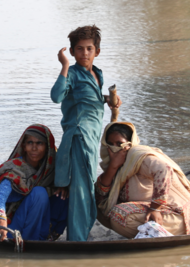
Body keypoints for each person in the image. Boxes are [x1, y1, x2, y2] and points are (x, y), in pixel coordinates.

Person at [50, 25, 121, 241]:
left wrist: (107, 100)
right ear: (72, 52)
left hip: (91, 141)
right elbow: (56, 96)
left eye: (89, 49)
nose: (84, 53)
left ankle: (79, 236)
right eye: (79, 49)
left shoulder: (96, 73)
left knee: (86, 190)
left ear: (97, 51)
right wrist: (64, 65)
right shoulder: (71, 73)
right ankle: (77, 242)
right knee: (81, 193)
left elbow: (88, 99)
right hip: (79, 139)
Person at [95, 122, 190, 238]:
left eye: (119, 143)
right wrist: (113, 166)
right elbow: (100, 193)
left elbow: (164, 170)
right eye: (110, 144)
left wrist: (155, 208)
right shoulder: (118, 165)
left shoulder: (138, 156)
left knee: (118, 215)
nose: (114, 148)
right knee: (97, 206)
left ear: (130, 143)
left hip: (177, 216)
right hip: (152, 212)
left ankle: (155, 236)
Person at [0, 124, 69, 244]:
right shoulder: (15, 168)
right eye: (30, 143)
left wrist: (64, 187)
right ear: (24, 146)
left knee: (65, 192)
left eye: (39, 143)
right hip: (14, 228)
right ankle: (31, 241)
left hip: (40, 223)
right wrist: (0, 220)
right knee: (39, 193)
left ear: (47, 147)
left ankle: (50, 235)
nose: (34, 148)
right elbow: (0, 195)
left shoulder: (50, 170)